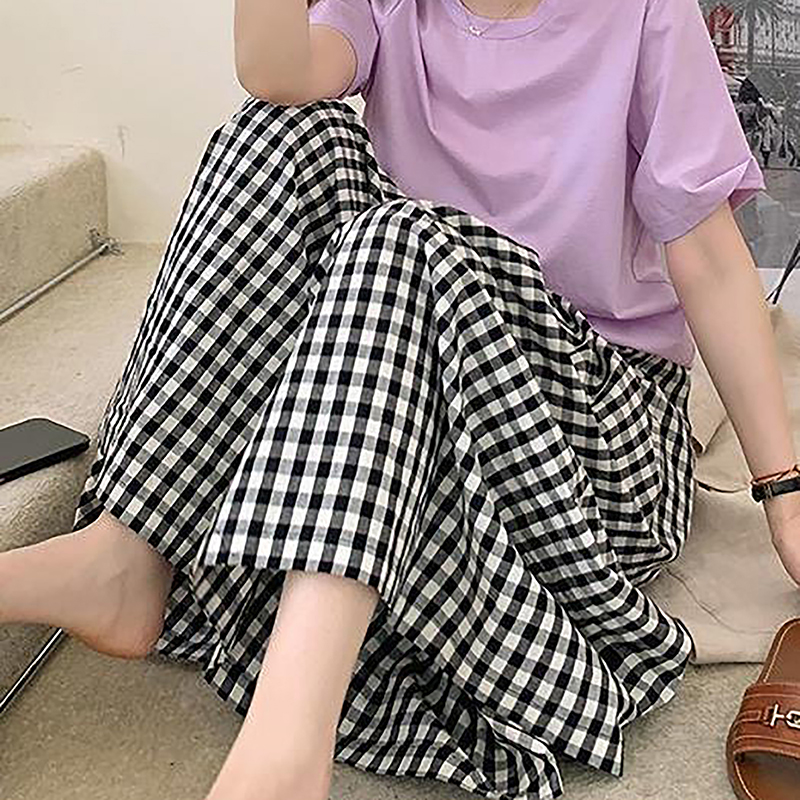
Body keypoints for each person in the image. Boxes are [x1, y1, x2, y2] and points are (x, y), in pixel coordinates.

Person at [3, 0, 800, 798]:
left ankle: (287, 746)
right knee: (278, 132)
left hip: (587, 439)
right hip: (411, 397)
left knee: (404, 236)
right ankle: (125, 555)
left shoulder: (643, 11)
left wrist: (784, 492)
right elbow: (277, 75)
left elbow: (710, 260)